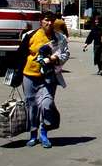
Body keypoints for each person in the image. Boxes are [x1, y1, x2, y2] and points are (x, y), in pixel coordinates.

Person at [16, 11, 70, 148]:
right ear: (41, 21)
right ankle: (34, 135)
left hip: (49, 77)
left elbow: (66, 53)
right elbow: (20, 55)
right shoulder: (29, 35)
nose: (49, 23)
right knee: (32, 106)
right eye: (46, 20)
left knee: (47, 104)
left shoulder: (59, 38)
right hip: (29, 76)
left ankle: (44, 132)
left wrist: (54, 58)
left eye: (52, 20)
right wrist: (16, 73)